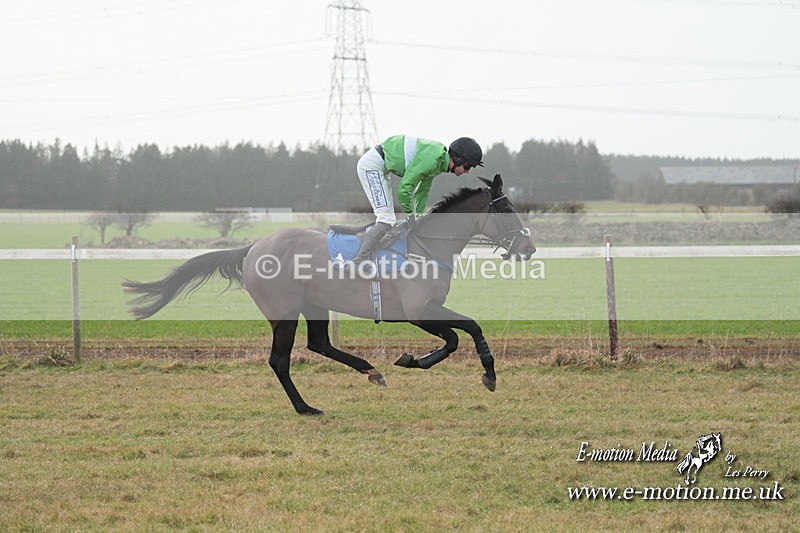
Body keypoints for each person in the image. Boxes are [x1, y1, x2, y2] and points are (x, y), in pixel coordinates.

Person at [350, 135, 484, 265]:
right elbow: (404, 189)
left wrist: (419, 218)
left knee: (389, 219)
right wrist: (410, 215)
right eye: (468, 166)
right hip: (372, 166)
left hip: (381, 168)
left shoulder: (438, 161)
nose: (467, 171)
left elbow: (422, 192)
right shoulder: (432, 159)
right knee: (386, 219)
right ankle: (358, 261)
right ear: (458, 159)